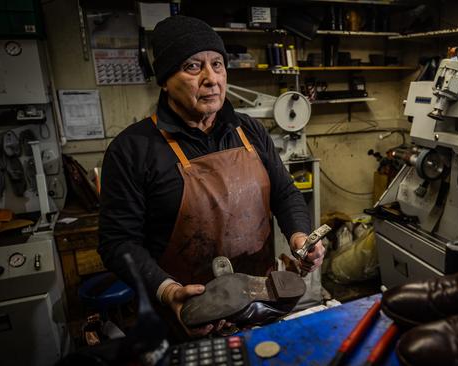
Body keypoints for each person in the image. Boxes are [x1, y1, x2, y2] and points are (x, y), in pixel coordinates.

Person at [98, 15, 325, 338]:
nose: (211, 78)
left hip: (260, 302)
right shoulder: (132, 150)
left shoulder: (249, 131)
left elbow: (285, 194)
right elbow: (117, 242)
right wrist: (168, 291)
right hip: (185, 317)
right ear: (164, 80)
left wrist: (300, 238)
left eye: (217, 64)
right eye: (193, 67)